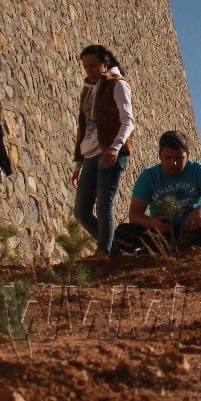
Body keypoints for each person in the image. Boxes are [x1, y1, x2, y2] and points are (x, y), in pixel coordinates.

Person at [114, 131, 201, 254]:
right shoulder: (148, 177)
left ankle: (191, 249)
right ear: (159, 155)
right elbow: (135, 214)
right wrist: (152, 223)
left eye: (179, 158)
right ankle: (165, 250)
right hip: (163, 232)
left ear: (188, 155)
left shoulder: (199, 170)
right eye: (168, 158)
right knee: (121, 232)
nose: (173, 163)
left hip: (192, 229)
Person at [72, 45, 135, 259]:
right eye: (85, 66)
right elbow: (83, 127)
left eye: (93, 65)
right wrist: (78, 164)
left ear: (105, 63)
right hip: (90, 154)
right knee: (81, 211)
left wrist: (115, 147)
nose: (89, 70)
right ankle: (115, 254)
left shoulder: (117, 84)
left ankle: (103, 252)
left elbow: (128, 120)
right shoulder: (88, 89)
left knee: (104, 204)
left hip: (111, 152)